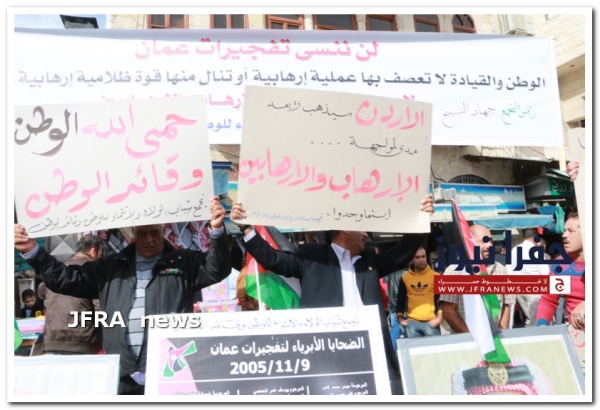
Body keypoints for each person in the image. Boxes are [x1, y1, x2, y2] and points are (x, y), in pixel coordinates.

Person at [14, 196, 231, 395]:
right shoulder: (110, 266)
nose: (149, 239)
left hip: (167, 372)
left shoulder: (185, 262)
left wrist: (216, 231)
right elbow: (65, 279)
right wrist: (32, 251)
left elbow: (217, 268)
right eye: (142, 234)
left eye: (154, 233)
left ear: (163, 231)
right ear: (134, 234)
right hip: (121, 374)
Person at [230, 194, 434, 395]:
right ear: (346, 228)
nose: (366, 234)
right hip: (328, 355)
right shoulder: (312, 257)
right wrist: (246, 228)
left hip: (373, 352)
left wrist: (421, 218)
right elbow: (274, 260)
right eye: (362, 228)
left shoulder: (370, 259)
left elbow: (400, 254)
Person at [440, 224, 515, 333]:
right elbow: (448, 311)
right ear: (470, 243)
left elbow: (506, 305)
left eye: (490, 241)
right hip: (466, 340)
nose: (489, 245)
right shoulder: (454, 271)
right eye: (484, 241)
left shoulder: (501, 270)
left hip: (495, 339)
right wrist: (472, 337)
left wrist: (500, 332)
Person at [37, 235, 104, 355]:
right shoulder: (92, 274)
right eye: (101, 253)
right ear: (93, 251)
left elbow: (41, 291)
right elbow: (100, 309)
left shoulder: (60, 272)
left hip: (52, 339)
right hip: (82, 342)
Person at [536, 212, 584, 329]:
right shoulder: (561, 264)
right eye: (565, 230)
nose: (564, 235)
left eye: (571, 231)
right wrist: (542, 325)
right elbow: (548, 300)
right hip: (577, 335)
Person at [506, 228, 550, 327]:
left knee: (529, 317)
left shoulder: (514, 250)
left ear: (524, 237)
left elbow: (508, 270)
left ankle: (530, 331)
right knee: (536, 317)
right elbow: (545, 272)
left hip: (518, 286)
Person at [396, 247, 442, 338]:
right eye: (417, 257)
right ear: (412, 259)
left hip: (431, 322)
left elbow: (443, 300)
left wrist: (439, 319)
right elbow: (400, 299)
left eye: (423, 256)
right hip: (412, 324)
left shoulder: (436, 276)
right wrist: (400, 319)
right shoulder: (405, 278)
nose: (421, 260)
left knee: (434, 347)